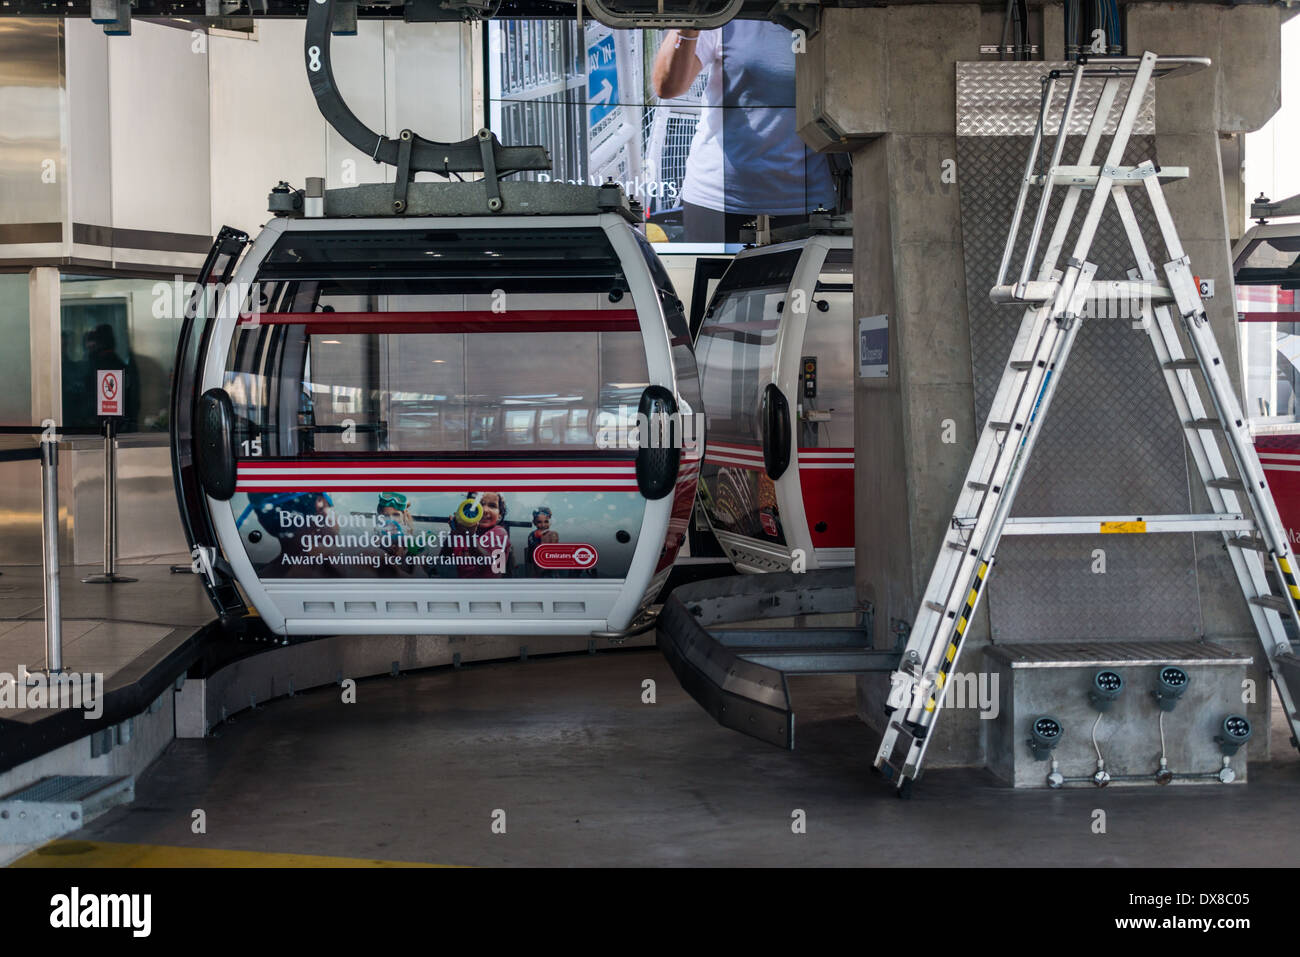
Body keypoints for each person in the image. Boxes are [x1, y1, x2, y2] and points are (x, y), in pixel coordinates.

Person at [651, 21, 836, 244]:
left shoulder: (827, 15)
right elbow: (667, 86)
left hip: (805, 200)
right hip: (716, 199)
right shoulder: (725, 14)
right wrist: (690, 21)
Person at [524, 506, 560, 577]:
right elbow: (532, 552)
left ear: (550, 522)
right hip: (537, 567)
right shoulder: (532, 535)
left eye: (546, 522)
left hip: (550, 567)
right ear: (534, 522)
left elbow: (554, 549)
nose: (543, 525)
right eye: (539, 522)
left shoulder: (553, 534)